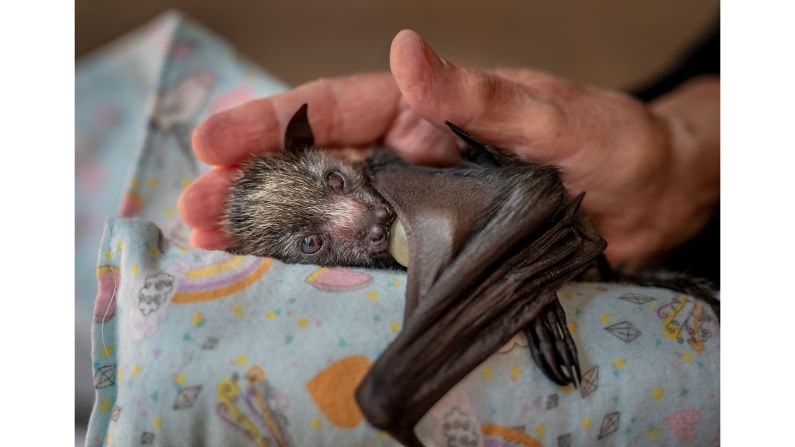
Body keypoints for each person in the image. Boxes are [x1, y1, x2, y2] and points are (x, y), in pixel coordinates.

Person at [178, 28, 719, 282]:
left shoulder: (397, 173)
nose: (363, 218)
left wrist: (675, 152)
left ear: (326, 156)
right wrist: (676, 153)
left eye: (338, 186)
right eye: (315, 241)